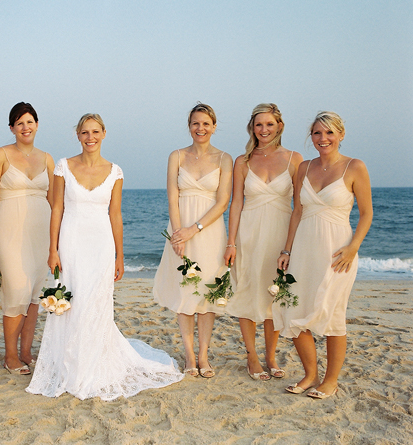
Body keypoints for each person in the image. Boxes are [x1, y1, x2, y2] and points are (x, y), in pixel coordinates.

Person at [26, 113, 184, 400]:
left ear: (104, 133)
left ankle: (94, 366)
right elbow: (57, 209)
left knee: (95, 301)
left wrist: (119, 255)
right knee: (72, 301)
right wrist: (53, 249)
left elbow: (115, 214)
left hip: (100, 244)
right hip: (71, 241)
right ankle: (69, 367)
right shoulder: (63, 166)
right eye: (85, 132)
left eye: (95, 132)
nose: (90, 137)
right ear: (78, 135)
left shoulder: (115, 171)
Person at [274, 111, 372, 399]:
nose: (323, 138)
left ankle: (331, 380)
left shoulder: (355, 167)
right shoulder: (303, 168)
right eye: (317, 133)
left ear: (341, 134)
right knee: (293, 310)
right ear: (311, 137)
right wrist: (287, 250)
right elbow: (298, 212)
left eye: (329, 133)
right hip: (303, 249)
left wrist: (353, 247)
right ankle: (310, 374)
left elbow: (366, 214)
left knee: (332, 314)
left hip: (337, 253)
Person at [224, 104, 303, 381]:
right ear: (252, 128)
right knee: (246, 291)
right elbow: (236, 204)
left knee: (275, 296)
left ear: (279, 126)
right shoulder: (242, 161)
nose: (264, 130)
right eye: (259, 125)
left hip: (280, 234)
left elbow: (300, 207)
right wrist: (231, 242)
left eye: (269, 124)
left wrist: (290, 246)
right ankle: (252, 356)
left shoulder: (295, 159)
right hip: (249, 233)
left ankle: (271, 356)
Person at [153, 103, 233, 378]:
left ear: (214, 126)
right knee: (185, 293)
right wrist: (178, 234)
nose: (201, 129)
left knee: (207, 295)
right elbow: (172, 196)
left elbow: (223, 202)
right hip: (180, 231)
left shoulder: (224, 159)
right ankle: (189, 356)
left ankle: (204, 356)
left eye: (206, 124)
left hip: (209, 231)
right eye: (195, 124)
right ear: (189, 126)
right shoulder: (176, 155)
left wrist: (193, 229)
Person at [0, 102, 54, 375]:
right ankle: (10, 355)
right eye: (19, 123)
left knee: (34, 293)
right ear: (12, 128)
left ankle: (26, 351)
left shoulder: (47, 159)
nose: (25, 127)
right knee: (15, 290)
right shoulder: (0, 155)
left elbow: (54, 201)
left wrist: (56, 241)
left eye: (30, 122)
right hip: (10, 230)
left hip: (41, 232)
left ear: (37, 125)